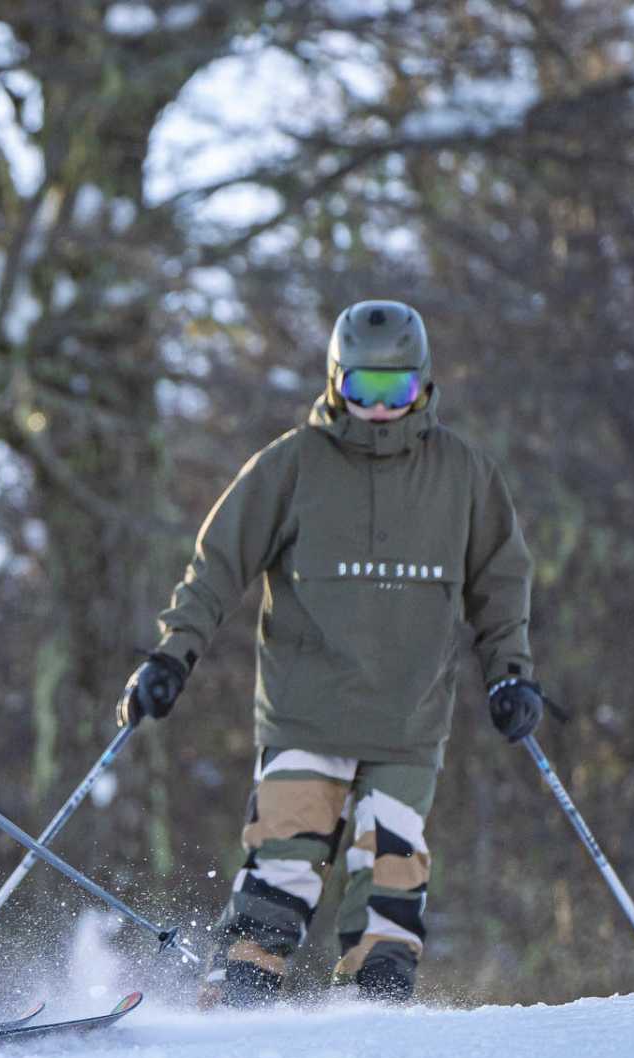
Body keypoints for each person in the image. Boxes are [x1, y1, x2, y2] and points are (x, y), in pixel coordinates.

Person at [118, 299, 543, 1006]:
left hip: (407, 720)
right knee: (280, 873)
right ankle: (237, 1002)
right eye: (361, 390)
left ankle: (371, 1020)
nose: (379, 408)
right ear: (334, 381)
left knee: (391, 884)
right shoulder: (290, 467)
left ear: (425, 385)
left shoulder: (464, 475)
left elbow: (501, 585)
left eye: (396, 391)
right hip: (305, 711)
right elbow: (216, 566)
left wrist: (512, 677)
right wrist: (173, 656)